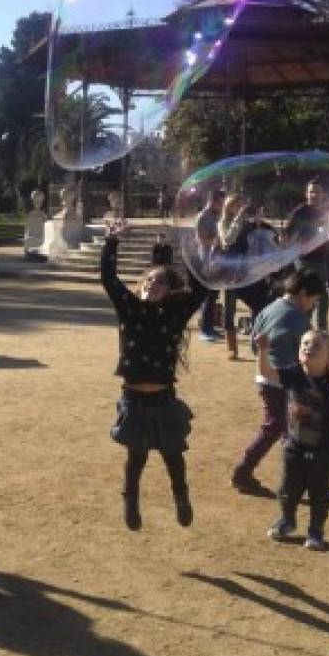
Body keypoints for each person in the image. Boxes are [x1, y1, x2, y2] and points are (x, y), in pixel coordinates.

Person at [101, 220, 207, 531]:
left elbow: (200, 290)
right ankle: (131, 500)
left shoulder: (175, 314)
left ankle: (181, 496)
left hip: (163, 397)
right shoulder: (129, 309)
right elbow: (109, 280)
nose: (151, 287)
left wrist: (189, 250)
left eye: (159, 283)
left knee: (174, 456)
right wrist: (111, 244)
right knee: (136, 458)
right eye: (148, 282)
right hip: (134, 397)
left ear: (170, 290)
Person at [230, 269, 325, 493]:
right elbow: (309, 351)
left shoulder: (269, 308)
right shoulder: (297, 317)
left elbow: (255, 344)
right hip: (283, 380)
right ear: (303, 293)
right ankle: (242, 472)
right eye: (314, 299)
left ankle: (297, 474)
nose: (313, 304)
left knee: (288, 428)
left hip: (265, 376)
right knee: (278, 426)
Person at [261, 330, 329, 550]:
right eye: (305, 343)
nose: (308, 347)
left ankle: (316, 530)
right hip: (294, 447)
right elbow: (267, 373)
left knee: (320, 495)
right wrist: (263, 351)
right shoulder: (294, 374)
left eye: (316, 345)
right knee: (287, 489)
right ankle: (287, 520)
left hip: (324, 452)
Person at [220, 203, 278, 361]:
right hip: (233, 273)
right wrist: (240, 221)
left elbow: (274, 250)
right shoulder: (232, 225)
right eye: (249, 212)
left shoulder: (267, 228)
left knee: (258, 308)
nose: (253, 215)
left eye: (257, 211)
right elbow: (227, 241)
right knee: (229, 310)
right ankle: (231, 348)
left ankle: (256, 344)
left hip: (254, 274)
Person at [287, 179, 329, 331]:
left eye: (317, 191)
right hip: (305, 259)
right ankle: (318, 331)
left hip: (321, 259)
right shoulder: (300, 212)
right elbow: (287, 234)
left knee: (315, 297)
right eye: (311, 191)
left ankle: (308, 330)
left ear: (323, 194)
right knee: (318, 297)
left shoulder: (326, 212)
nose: (314, 194)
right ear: (306, 194)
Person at [194, 190, 225, 342]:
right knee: (208, 295)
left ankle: (209, 327)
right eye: (220, 203)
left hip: (215, 260)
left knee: (213, 296)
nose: (222, 206)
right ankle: (205, 329)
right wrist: (219, 238)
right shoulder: (203, 217)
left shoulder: (214, 217)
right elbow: (201, 240)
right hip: (206, 260)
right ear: (212, 201)